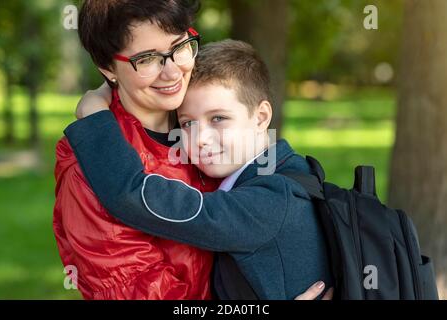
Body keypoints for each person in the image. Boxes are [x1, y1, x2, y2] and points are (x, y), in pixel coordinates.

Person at [53, 0, 328, 300]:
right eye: (146, 59)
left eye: (178, 46)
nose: (172, 73)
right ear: (108, 68)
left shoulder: (211, 130)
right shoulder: (93, 168)